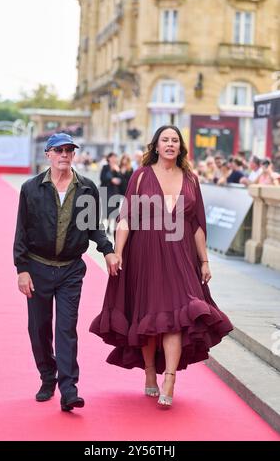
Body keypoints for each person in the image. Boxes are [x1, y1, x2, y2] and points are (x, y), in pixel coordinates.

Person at [90, 125, 233, 407]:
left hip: (181, 257)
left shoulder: (191, 179)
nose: (170, 144)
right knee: (149, 317)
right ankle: (151, 373)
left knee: (179, 317)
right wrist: (117, 253)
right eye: (165, 140)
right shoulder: (141, 176)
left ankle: (170, 377)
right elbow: (126, 217)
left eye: (175, 140)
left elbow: (197, 225)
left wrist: (204, 260)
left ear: (180, 147)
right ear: (156, 146)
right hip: (145, 254)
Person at [13, 132, 119, 412]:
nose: (64, 154)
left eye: (69, 150)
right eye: (58, 150)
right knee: (38, 328)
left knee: (66, 328)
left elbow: (94, 224)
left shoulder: (87, 188)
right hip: (37, 267)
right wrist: (22, 269)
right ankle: (48, 377)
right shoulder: (31, 188)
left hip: (71, 269)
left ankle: (69, 389)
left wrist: (107, 250)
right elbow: (21, 232)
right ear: (47, 154)